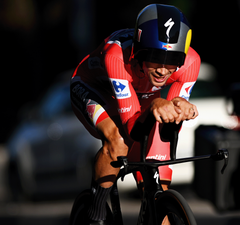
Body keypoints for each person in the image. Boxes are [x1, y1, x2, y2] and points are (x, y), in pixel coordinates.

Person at [70, 4, 200, 224]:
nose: (163, 69)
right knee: (118, 141)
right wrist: (156, 104)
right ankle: (96, 213)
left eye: (172, 61)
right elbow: (132, 128)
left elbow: (168, 122)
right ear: (139, 51)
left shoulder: (191, 62)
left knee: (159, 173)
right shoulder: (116, 56)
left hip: (139, 94)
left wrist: (178, 108)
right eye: (154, 56)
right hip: (94, 88)